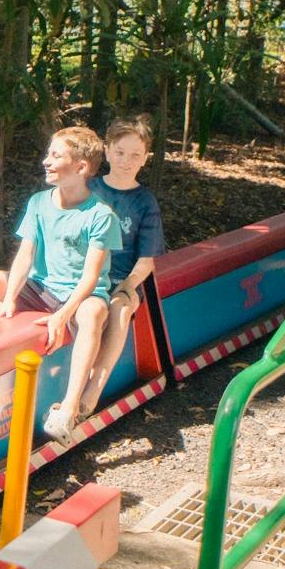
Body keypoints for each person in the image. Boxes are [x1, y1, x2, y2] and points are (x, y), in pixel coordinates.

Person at [0, 125, 123, 442]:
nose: (46, 162)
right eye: (48, 154)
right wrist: (10, 297)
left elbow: (92, 276)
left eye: (56, 156)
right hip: (40, 289)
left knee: (92, 313)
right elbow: (26, 255)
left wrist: (64, 314)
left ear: (80, 167)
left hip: (80, 295)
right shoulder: (39, 202)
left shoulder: (100, 215)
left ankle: (69, 407)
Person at [80, 118, 168, 419]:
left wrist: (128, 286)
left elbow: (146, 261)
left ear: (145, 158)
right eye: (119, 152)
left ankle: (92, 393)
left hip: (121, 278)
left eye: (135, 155)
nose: (126, 161)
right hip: (82, 274)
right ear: (107, 152)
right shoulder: (88, 189)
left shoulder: (144, 202)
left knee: (118, 309)